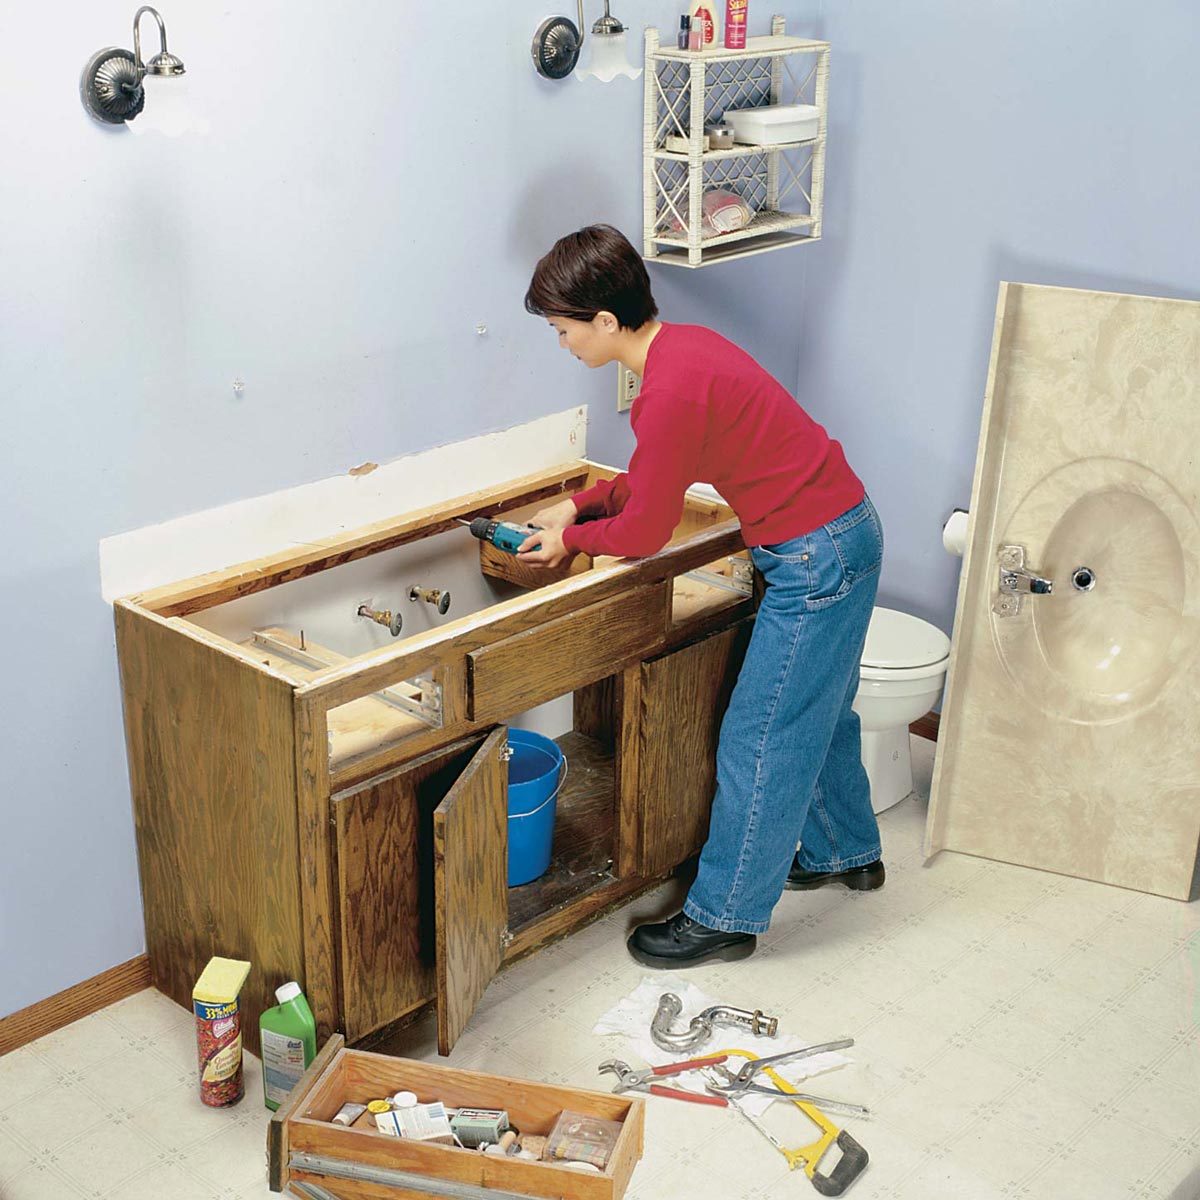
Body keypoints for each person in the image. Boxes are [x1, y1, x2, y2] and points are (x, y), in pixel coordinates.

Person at [520, 224, 885, 968]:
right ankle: (846, 852)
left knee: (763, 735)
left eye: (564, 331)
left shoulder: (668, 390)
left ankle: (724, 918)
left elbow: (649, 528)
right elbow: (654, 480)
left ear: (605, 322)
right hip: (845, 532)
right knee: (822, 714)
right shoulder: (685, 351)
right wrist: (580, 506)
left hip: (814, 557)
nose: (564, 345)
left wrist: (573, 544)